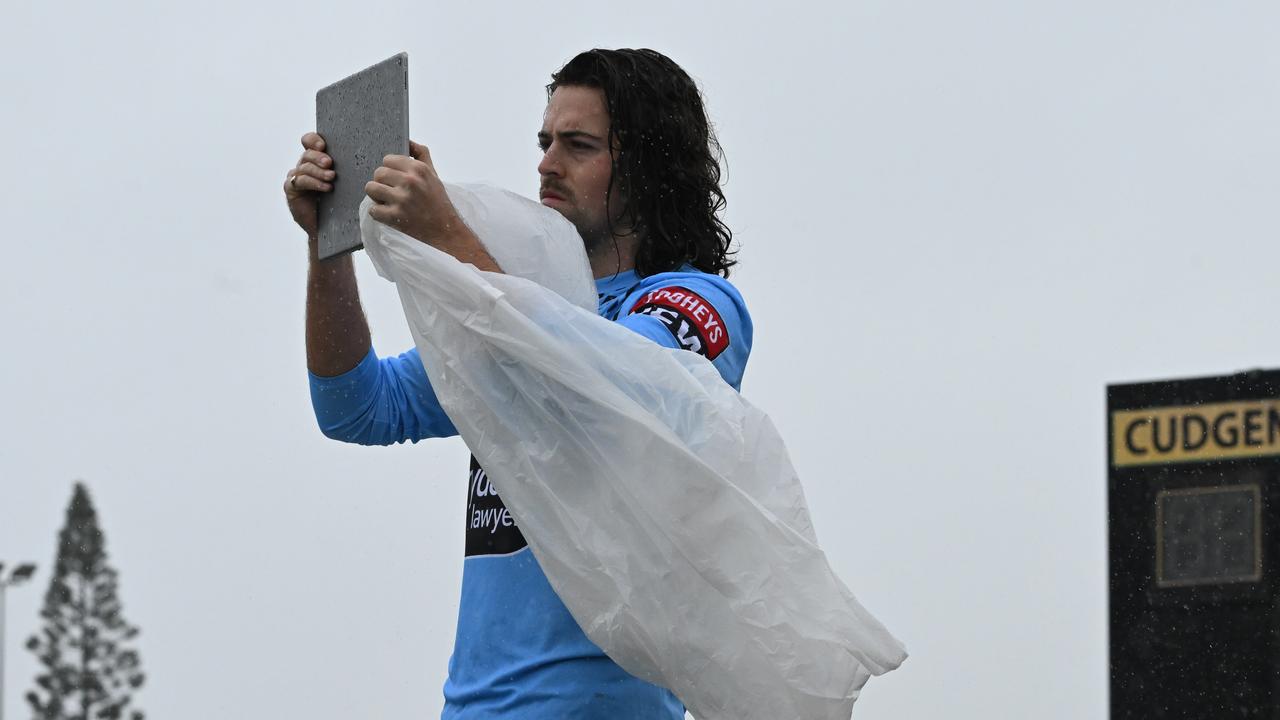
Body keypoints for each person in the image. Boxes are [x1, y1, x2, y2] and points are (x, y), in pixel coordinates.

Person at [284, 48, 752, 719]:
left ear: (649, 170)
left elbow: (600, 392)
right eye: (544, 141)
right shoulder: (512, 307)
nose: (546, 164)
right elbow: (356, 408)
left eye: (578, 145)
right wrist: (326, 246)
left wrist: (446, 235)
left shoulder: (698, 303)